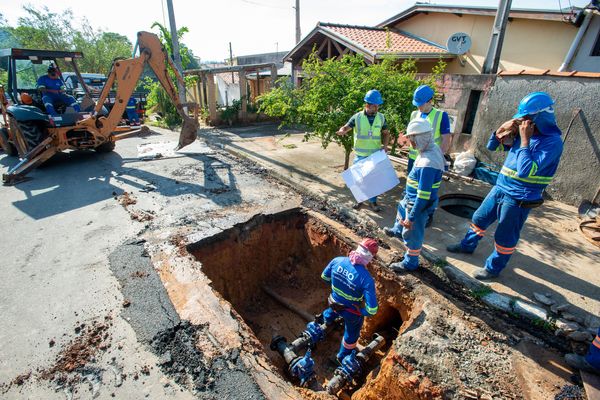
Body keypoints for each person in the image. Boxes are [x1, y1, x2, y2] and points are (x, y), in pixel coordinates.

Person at [446, 92, 564, 280]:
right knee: (479, 217)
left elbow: (525, 170)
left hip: (520, 196)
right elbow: (492, 146)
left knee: (505, 235)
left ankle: (493, 268)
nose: (523, 122)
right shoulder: (523, 134)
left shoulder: (552, 142)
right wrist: (501, 129)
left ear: (539, 118)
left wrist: (525, 139)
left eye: (526, 118)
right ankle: (467, 246)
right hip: (501, 187)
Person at [385, 119, 444, 272]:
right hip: (410, 197)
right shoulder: (429, 149)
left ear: (422, 137)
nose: (411, 143)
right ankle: (397, 230)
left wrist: (411, 218)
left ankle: (410, 262)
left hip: (417, 203)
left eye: (413, 139)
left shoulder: (428, 164)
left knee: (412, 233)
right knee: (401, 210)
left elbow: (423, 196)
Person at [319, 238, 379, 363]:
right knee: (352, 334)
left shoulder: (338, 260)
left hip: (333, 301)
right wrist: (361, 311)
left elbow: (324, 276)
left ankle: (327, 322)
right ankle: (342, 357)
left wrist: (336, 287)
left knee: (330, 312)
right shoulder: (366, 279)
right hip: (350, 312)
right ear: (370, 256)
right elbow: (372, 310)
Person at [337, 89, 390, 212]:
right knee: (358, 180)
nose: (377, 108)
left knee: (373, 180)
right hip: (360, 155)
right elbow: (346, 127)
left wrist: (385, 145)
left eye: (378, 106)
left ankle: (373, 202)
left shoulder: (381, 118)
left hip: (375, 155)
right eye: (374, 106)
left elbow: (386, 133)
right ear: (367, 105)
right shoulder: (357, 117)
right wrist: (342, 130)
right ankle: (359, 200)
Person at [407, 85, 451, 174]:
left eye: (421, 104)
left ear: (430, 101)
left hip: (429, 161)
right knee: (412, 184)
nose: (418, 107)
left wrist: (437, 157)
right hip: (413, 158)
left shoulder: (441, 115)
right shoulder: (414, 114)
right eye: (417, 104)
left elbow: (446, 139)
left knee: (425, 187)